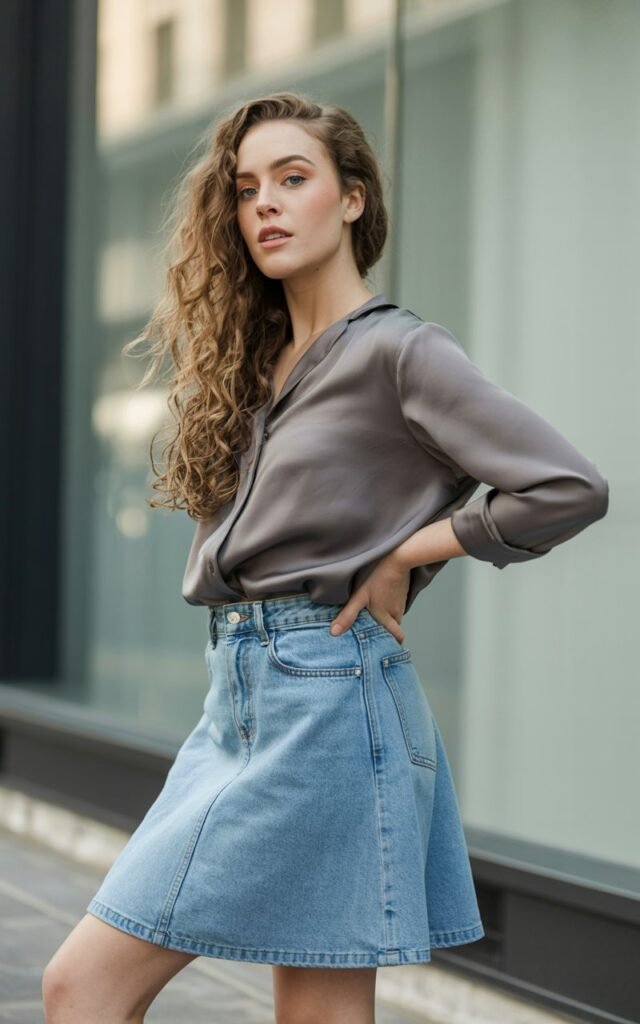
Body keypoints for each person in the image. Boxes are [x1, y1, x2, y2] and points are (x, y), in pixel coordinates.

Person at [42, 90, 609, 1024]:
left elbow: (567, 487)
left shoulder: (400, 352)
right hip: (239, 701)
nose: (263, 203)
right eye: (246, 187)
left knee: (86, 983)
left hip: (333, 698)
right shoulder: (255, 367)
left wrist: (414, 551)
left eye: (293, 179)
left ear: (351, 199)